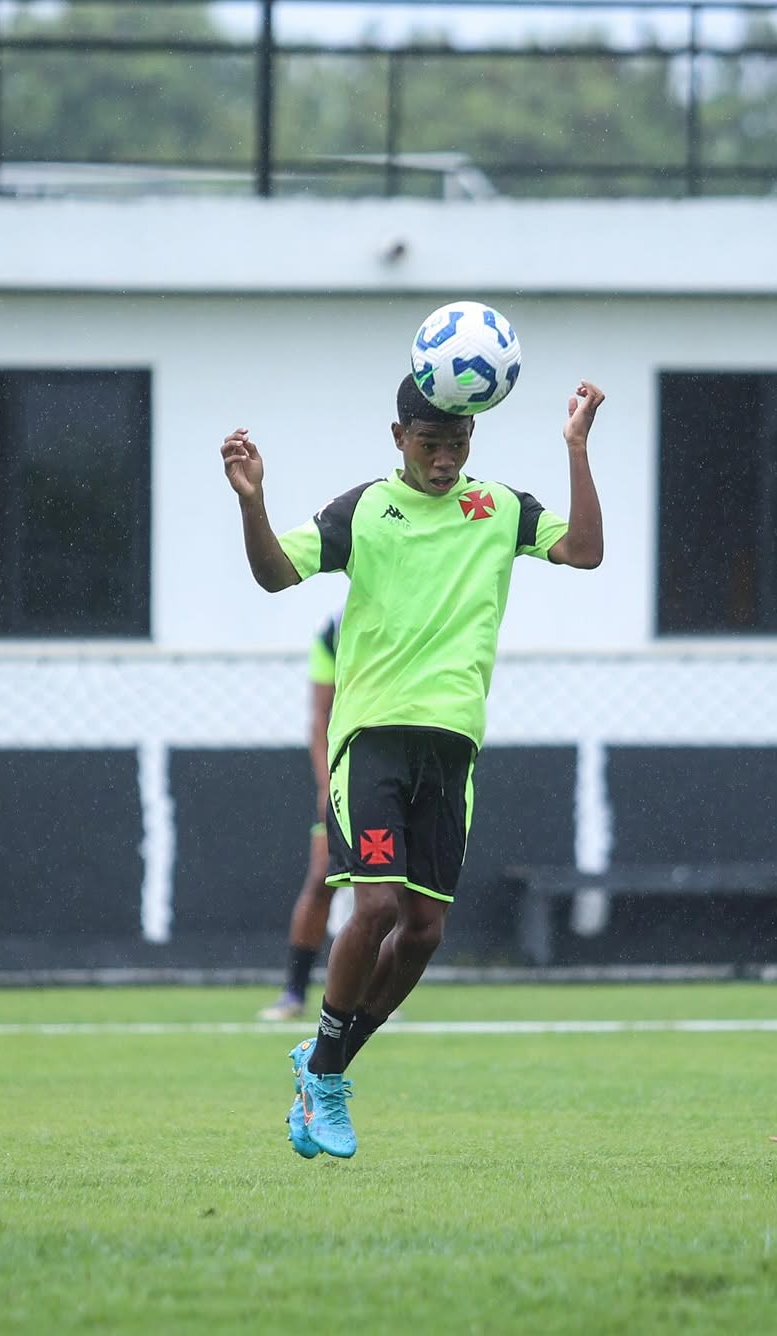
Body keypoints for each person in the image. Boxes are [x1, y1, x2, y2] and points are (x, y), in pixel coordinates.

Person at [221, 372, 605, 1159]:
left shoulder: (499, 507)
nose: (444, 458)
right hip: (374, 739)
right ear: (399, 437)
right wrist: (253, 503)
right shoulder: (363, 510)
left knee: (425, 931)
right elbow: (275, 572)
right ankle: (326, 1078)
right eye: (430, 443)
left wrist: (575, 448)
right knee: (375, 907)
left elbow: (586, 551)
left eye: (457, 442)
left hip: (452, 746)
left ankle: (324, 1062)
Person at [258, 611, 342, 1022]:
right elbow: (320, 718)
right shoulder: (335, 631)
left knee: (387, 888)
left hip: (393, 765)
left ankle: (375, 994)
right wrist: (328, 785)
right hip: (347, 772)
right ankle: (294, 992)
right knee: (322, 877)